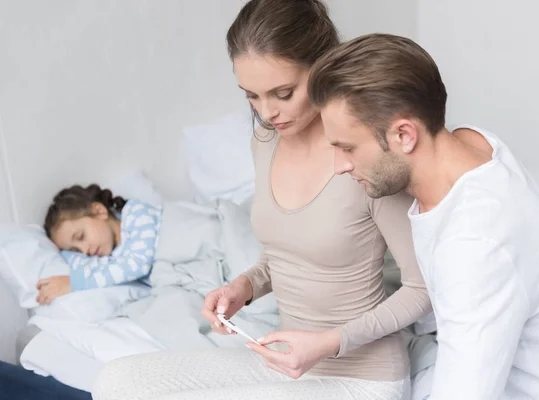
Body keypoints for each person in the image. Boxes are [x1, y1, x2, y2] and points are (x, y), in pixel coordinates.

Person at [92, 1, 431, 399]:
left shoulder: (361, 152)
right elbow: (289, 252)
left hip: (362, 376)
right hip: (286, 364)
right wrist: (243, 287)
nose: (268, 113)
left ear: (322, 68)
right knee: (115, 381)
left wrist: (329, 342)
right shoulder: (265, 142)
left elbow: (421, 289)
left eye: (283, 93)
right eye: (251, 95)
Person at [307, 33, 539, 399]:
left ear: (404, 134)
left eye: (347, 148)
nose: (339, 166)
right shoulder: (471, 143)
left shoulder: (475, 244)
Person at [36, 184, 161, 304]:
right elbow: (81, 264)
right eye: (76, 250)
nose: (85, 251)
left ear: (100, 211)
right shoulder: (111, 259)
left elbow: (137, 264)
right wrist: (62, 253)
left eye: (81, 236)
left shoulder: (137, 213)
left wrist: (74, 282)